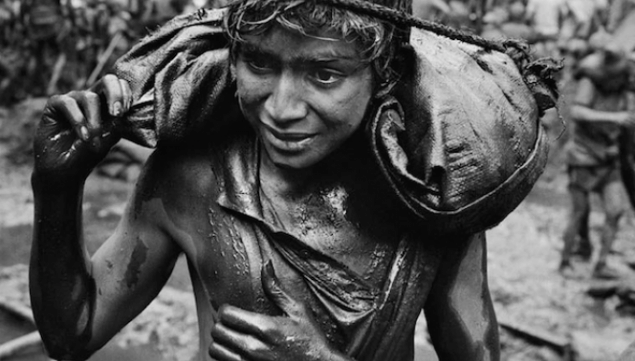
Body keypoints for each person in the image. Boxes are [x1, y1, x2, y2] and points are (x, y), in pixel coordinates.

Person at [29, 0, 554, 360]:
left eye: (324, 74)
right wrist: (57, 189)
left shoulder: (431, 198)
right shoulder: (190, 178)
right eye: (258, 62)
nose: (280, 108)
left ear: (384, 75)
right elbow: (73, 334)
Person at [559, 37, 635, 279]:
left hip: (609, 158)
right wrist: (614, 118)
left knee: (615, 210)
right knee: (579, 212)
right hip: (583, 156)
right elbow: (577, 111)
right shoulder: (590, 80)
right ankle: (565, 261)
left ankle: (601, 264)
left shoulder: (624, 85)